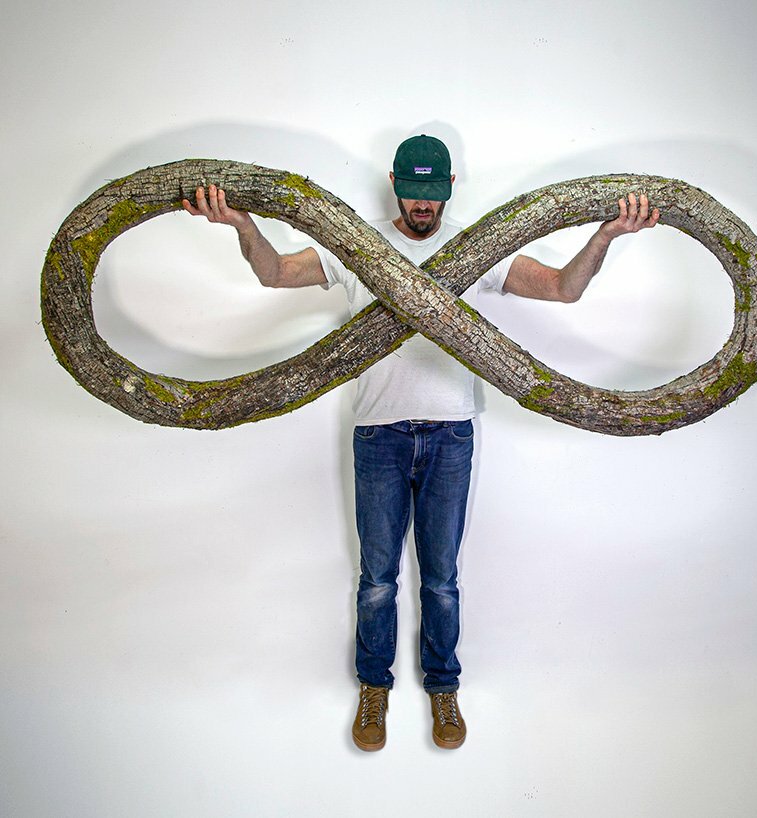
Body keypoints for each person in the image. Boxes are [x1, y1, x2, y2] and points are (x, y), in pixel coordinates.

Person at [183, 134, 659, 752]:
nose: (422, 206)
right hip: (378, 435)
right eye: (412, 192)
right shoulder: (356, 243)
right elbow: (275, 274)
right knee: (377, 578)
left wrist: (604, 236)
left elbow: (563, 289)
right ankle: (373, 687)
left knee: (441, 579)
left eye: (433, 194)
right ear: (394, 183)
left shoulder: (477, 247)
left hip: (450, 434)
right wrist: (243, 225)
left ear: (450, 188)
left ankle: (443, 687)